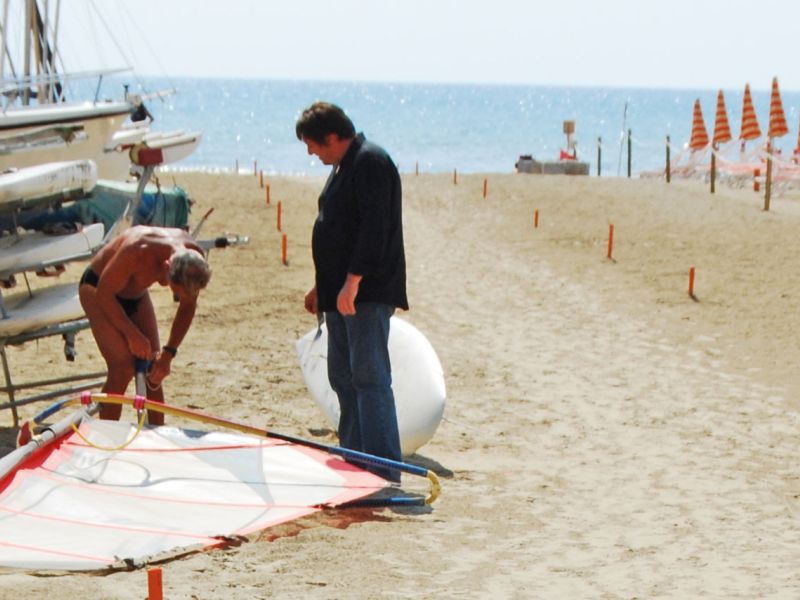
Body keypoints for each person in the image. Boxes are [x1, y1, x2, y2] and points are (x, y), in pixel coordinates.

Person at [296, 101, 408, 482]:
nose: (311, 153)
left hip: (366, 293)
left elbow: (374, 229)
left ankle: (382, 467)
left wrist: (352, 281)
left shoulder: (371, 162)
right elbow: (337, 229)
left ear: (331, 137)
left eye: (313, 144)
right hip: (340, 292)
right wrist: (322, 285)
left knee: (370, 378)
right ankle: (356, 460)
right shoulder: (344, 165)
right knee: (343, 377)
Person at [78, 225, 211, 425]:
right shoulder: (137, 250)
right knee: (122, 367)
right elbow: (104, 294)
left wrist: (168, 353)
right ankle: (107, 436)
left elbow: (188, 306)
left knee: (154, 368)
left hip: (135, 293)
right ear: (167, 267)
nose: (175, 295)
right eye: (174, 290)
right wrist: (131, 333)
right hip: (98, 288)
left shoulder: (194, 259)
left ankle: (157, 436)